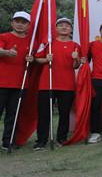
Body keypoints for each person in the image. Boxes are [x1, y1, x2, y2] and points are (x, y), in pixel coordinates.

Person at [0, 11, 34, 156]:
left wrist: (32, 59)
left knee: (13, 115)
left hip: (19, 84)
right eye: (17, 21)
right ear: (12, 23)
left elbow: (35, 58)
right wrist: (7, 52)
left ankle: (9, 141)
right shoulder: (2, 37)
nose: (20, 25)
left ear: (28, 25)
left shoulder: (31, 41)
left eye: (24, 22)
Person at [33, 18, 82, 150]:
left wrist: (76, 59)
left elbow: (76, 66)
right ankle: (41, 141)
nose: (64, 27)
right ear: (56, 28)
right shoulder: (48, 43)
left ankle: (62, 138)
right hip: (47, 83)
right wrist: (46, 59)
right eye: (61, 25)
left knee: (64, 113)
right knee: (44, 114)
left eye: (67, 25)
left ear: (71, 29)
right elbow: (37, 58)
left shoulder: (75, 45)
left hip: (67, 85)